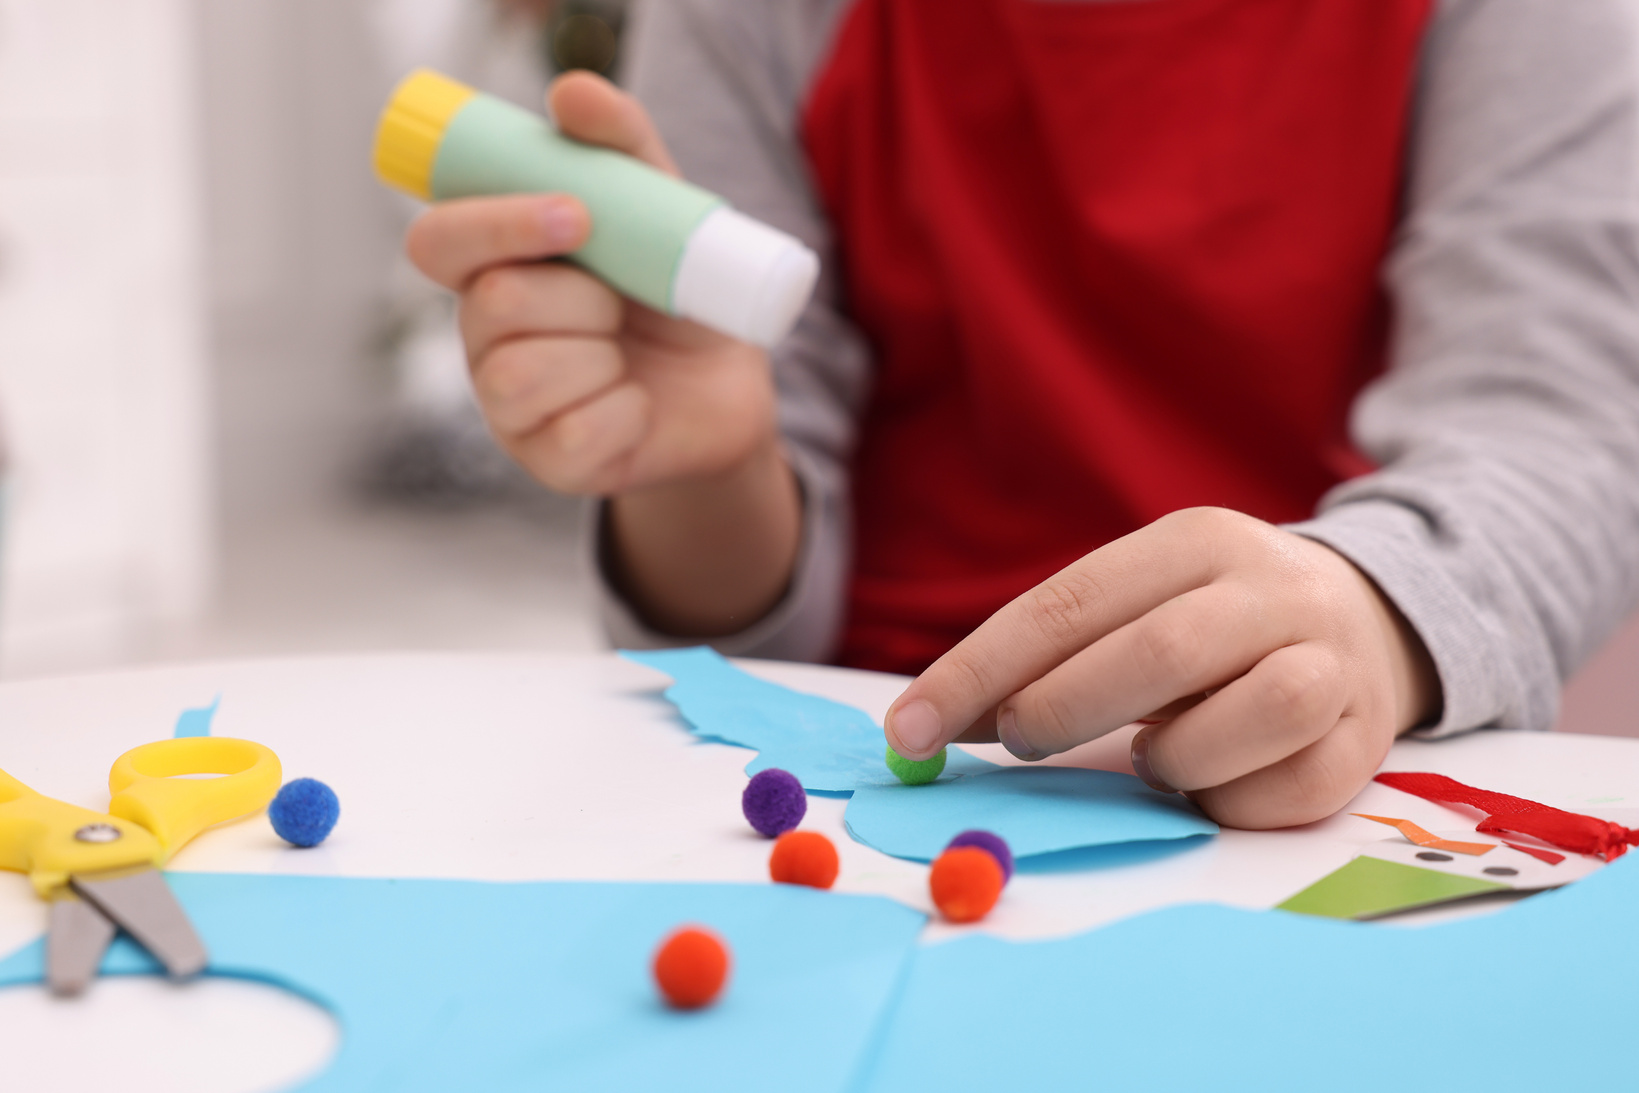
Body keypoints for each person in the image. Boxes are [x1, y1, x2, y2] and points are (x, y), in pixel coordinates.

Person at [404, 0, 1639, 829]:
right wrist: (700, 465)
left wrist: (1366, 608)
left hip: (1296, 757)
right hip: (869, 757)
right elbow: (730, 602)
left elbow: (1559, 420)